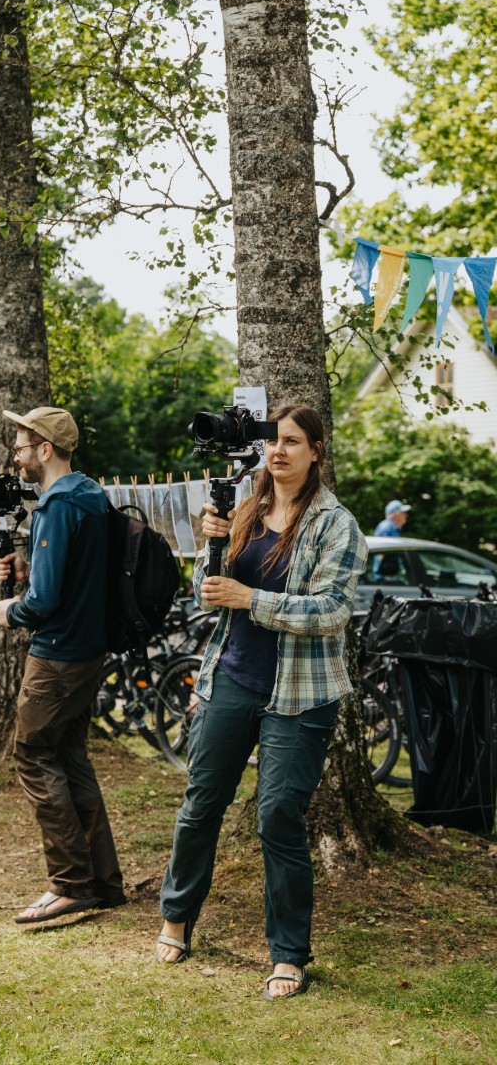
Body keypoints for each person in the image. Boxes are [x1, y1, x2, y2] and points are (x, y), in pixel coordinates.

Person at [154, 403, 368, 1001]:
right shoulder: (245, 509)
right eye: (273, 441)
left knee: (277, 817)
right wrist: (211, 547)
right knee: (201, 805)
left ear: (316, 451)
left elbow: (332, 611)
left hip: (302, 695)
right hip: (232, 678)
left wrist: (250, 598)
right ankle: (177, 917)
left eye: (293, 441)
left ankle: (289, 954)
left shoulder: (336, 525)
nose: (278, 451)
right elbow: (207, 594)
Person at [0, 406, 125, 922]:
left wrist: (11, 610)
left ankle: (70, 883)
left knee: (31, 753)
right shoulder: (91, 496)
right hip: (88, 651)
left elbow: (44, 601)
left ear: (45, 450)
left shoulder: (56, 505)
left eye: (22, 447)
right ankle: (104, 883)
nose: (16, 457)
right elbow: (75, 577)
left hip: (57, 656)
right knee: (70, 756)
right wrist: (28, 566)